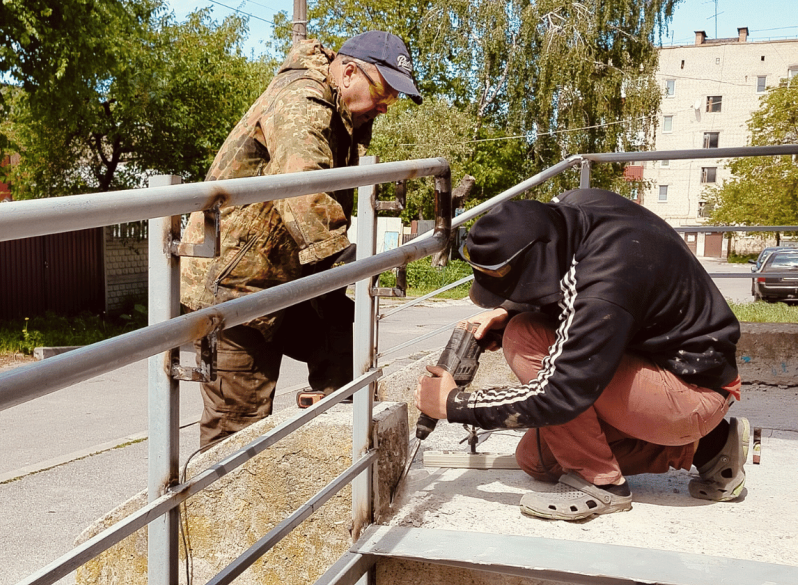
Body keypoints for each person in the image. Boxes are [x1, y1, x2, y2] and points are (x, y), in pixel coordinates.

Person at [416, 188, 750, 521]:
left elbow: (560, 393)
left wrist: (455, 405)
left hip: (690, 390)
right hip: (654, 367)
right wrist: (509, 309)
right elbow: (568, 285)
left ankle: (601, 485)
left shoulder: (608, 278)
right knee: (538, 462)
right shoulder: (570, 212)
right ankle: (713, 447)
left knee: (524, 336)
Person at [180, 31, 423, 447]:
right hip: (234, 285)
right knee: (238, 423)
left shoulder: (340, 111)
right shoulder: (302, 100)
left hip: (285, 273)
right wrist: (348, 262)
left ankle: (330, 458)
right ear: (348, 73)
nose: (385, 106)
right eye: (383, 91)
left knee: (343, 349)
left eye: (394, 99)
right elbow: (301, 184)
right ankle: (215, 507)